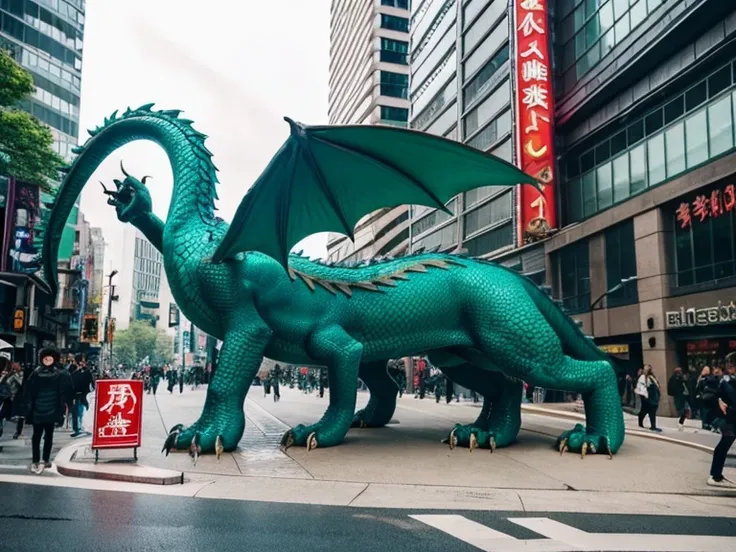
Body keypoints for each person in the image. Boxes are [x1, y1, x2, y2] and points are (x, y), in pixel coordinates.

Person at [25, 348, 73, 474]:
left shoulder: (35, 373)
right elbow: (66, 391)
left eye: (49, 359)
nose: (47, 361)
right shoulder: (61, 373)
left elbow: (28, 390)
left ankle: (37, 459)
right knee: (46, 435)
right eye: (45, 359)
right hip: (49, 409)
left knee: (38, 436)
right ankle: (44, 459)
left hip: (40, 408)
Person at [707, 352, 736, 488]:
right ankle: (715, 475)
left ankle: (716, 475)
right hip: (730, 419)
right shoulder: (727, 382)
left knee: (723, 445)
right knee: (724, 445)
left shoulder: (728, 381)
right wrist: (720, 402)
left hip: (730, 418)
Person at [69, 361, 94, 437]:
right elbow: (91, 382)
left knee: (77, 412)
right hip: (83, 395)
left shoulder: (72, 375)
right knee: (82, 411)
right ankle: (82, 427)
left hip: (77, 395)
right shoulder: (86, 373)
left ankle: (78, 428)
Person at [636, 365, 661, 432]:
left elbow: (656, 386)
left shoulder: (652, 377)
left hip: (653, 397)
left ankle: (653, 426)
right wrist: (645, 395)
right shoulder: (643, 377)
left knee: (652, 411)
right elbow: (642, 387)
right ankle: (641, 423)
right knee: (646, 411)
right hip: (647, 397)